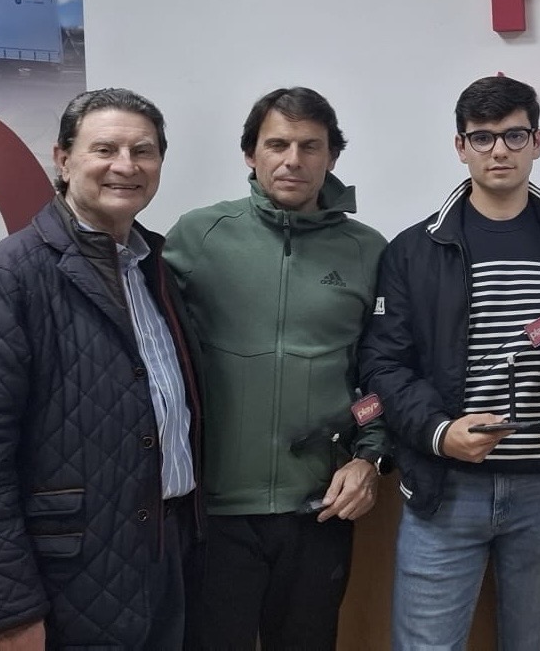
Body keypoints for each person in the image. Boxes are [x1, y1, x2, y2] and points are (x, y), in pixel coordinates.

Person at [358, 75, 540, 651]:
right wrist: (440, 433)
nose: (499, 151)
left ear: (537, 142)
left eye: (514, 136)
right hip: (446, 486)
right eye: (482, 137)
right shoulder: (415, 249)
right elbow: (383, 365)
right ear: (460, 146)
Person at [165, 87, 390, 650]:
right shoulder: (197, 236)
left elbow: (378, 376)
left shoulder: (368, 251)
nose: (294, 159)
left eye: (310, 146)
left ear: (331, 157)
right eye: (277, 144)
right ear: (251, 153)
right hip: (213, 510)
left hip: (318, 508)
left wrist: (369, 457)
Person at [0, 88, 201, 650]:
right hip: (68, 573)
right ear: (63, 160)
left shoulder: (156, 266)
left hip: (167, 553)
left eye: (143, 151)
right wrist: (9, 610)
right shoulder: (11, 276)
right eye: (104, 149)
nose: (126, 166)